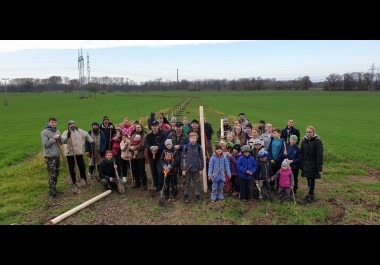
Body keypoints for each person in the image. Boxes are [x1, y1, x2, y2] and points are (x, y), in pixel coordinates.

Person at [61, 120, 94, 188]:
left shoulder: (79, 131)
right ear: (68, 126)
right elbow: (63, 141)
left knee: (82, 167)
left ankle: (84, 180)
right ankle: (73, 182)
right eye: (71, 124)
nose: (72, 125)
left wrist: (91, 141)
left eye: (73, 124)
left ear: (75, 125)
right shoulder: (66, 132)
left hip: (78, 152)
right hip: (70, 154)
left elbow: (87, 135)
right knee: (71, 169)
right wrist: (67, 136)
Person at [300, 126, 323, 205]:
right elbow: (302, 153)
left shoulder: (317, 142)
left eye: (310, 132)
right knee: (308, 179)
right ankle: (310, 194)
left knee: (311, 179)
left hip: (313, 165)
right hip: (305, 164)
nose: (308, 133)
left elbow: (319, 155)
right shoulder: (304, 141)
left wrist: (319, 168)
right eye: (307, 132)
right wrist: (301, 164)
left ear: (313, 133)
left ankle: (310, 195)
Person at [41, 117, 62, 200]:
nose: (53, 123)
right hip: (49, 156)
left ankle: (54, 189)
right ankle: (51, 193)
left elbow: (60, 143)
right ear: (49, 123)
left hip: (57, 155)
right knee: (51, 174)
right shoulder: (44, 132)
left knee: (56, 173)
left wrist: (60, 138)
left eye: (55, 122)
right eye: (52, 122)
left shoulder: (57, 131)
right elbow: (45, 144)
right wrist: (54, 138)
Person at [181, 132, 205, 203]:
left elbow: (201, 158)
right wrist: (183, 169)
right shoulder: (186, 147)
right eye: (192, 138)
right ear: (189, 138)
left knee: (197, 182)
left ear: (196, 139)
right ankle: (186, 196)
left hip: (196, 169)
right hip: (187, 169)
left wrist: (201, 168)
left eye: (194, 138)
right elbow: (183, 158)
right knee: (187, 182)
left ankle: (197, 196)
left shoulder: (198, 147)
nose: (193, 140)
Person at [145, 120, 166, 192]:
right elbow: (146, 144)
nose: (154, 127)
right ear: (151, 127)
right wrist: (150, 147)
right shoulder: (148, 136)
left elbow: (164, 143)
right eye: (153, 126)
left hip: (160, 157)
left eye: (155, 126)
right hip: (151, 156)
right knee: (154, 172)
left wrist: (157, 147)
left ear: (158, 126)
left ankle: (161, 186)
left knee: (160, 172)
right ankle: (156, 186)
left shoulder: (162, 134)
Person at [129, 123, 148, 190]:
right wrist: (131, 148)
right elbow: (130, 143)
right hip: (133, 155)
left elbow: (143, 144)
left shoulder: (144, 135)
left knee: (141, 170)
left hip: (141, 155)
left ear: (141, 128)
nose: (137, 128)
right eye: (136, 127)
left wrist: (135, 148)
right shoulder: (133, 135)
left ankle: (144, 184)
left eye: (139, 127)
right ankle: (137, 183)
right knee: (135, 170)